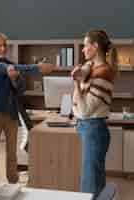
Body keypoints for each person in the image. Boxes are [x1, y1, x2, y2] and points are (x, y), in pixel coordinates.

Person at [0, 32, 56, 183]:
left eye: (4, 45)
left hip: (11, 113)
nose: (3, 48)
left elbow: (20, 89)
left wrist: (15, 78)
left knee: (12, 152)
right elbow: (2, 68)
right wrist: (36, 67)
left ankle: (13, 182)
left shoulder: (12, 65)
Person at [71, 30, 117, 198]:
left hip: (93, 129)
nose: (83, 50)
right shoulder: (92, 68)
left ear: (95, 46)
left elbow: (83, 110)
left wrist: (77, 84)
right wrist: (80, 75)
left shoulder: (103, 73)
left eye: (85, 45)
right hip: (88, 127)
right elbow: (84, 69)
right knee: (92, 182)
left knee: (91, 187)